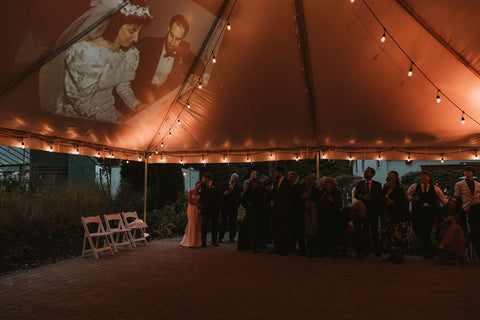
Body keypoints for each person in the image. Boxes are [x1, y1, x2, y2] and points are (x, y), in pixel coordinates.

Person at [55, 0, 152, 122]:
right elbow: (81, 102)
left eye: (139, 32)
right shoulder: (87, 54)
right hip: (81, 116)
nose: (136, 38)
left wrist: (136, 104)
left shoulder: (129, 54)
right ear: (116, 25)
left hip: (109, 111)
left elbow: (122, 85)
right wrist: (114, 119)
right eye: (132, 31)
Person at [132, 14, 202, 104]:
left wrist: (197, 75)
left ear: (183, 39)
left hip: (162, 98)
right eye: (171, 36)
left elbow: (199, 64)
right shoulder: (148, 44)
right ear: (168, 29)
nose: (172, 43)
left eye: (178, 39)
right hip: (140, 94)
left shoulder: (184, 49)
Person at [408, 172, 448, 258]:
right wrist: (412, 198)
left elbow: (443, 199)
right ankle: (428, 248)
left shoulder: (436, 188)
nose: (422, 178)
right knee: (417, 230)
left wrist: (450, 206)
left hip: (430, 213)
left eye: (424, 176)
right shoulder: (414, 186)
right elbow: (408, 196)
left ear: (429, 178)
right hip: (418, 212)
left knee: (428, 230)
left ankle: (427, 250)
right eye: (421, 177)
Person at [354, 167, 383, 256]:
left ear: (372, 174)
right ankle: (365, 249)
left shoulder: (377, 185)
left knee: (374, 230)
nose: (366, 173)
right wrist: (363, 198)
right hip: (363, 210)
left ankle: (376, 250)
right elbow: (356, 195)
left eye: (368, 172)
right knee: (365, 230)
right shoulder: (359, 184)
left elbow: (379, 197)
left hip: (374, 210)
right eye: (365, 172)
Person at [382, 171, 409, 264]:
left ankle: (399, 256)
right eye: (389, 176)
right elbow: (381, 197)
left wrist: (393, 202)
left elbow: (405, 200)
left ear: (396, 178)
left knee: (398, 236)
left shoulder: (401, 187)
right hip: (388, 214)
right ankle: (391, 254)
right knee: (389, 235)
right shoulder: (386, 187)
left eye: (392, 177)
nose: (390, 178)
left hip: (399, 214)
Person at [454, 166, 480, 257]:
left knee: (475, 228)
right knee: (464, 229)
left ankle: (476, 248)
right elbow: (457, 197)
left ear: (472, 173)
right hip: (465, 207)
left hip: (476, 207)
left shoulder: (478, 184)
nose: (467, 173)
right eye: (466, 172)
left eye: (469, 172)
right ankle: (466, 249)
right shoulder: (459, 184)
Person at [238, 177, 266, 252]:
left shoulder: (261, 190)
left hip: (258, 212)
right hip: (251, 212)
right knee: (251, 228)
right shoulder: (249, 191)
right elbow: (243, 200)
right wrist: (248, 207)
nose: (254, 184)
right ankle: (252, 245)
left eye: (255, 183)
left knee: (257, 229)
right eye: (253, 183)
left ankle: (258, 245)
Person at [437, 197, 467, 265]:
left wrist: (454, 221)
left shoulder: (460, 212)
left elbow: (463, 225)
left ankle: (443, 244)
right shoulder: (443, 211)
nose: (451, 203)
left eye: (454, 202)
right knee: (457, 230)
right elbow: (439, 225)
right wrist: (445, 222)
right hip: (444, 229)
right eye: (450, 200)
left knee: (456, 228)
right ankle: (458, 258)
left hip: (456, 232)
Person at [270, 167, 293, 255]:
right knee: (276, 229)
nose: (275, 174)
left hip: (282, 210)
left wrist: (285, 208)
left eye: (276, 172)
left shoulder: (287, 183)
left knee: (283, 230)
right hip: (276, 210)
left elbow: (289, 196)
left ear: (280, 173)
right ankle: (277, 247)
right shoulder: (275, 183)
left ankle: (284, 248)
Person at [317, 177, 342, 257]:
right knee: (323, 233)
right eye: (325, 182)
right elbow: (318, 203)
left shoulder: (336, 193)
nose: (326, 183)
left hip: (333, 216)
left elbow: (339, 205)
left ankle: (333, 251)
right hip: (322, 215)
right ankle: (323, 250)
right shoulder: (321, 192)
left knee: (332, 234)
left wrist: (332, 201)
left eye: (328, 182)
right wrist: (322, 198)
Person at [298, 173, 320, 257]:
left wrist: (312, 202)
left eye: (312, 179)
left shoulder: (316, 190)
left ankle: (311, 250)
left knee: (311, 233)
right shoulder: (300, 188)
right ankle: (302, 249)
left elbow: (318, 200)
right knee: (301, 232)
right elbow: (295, 199)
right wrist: (302, 197)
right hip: (301, 212)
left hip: (311, 214)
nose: (310, 181)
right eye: (309, 179)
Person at [199, 172, 223, 247]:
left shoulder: (216, 186)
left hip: (214, 210)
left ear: (207, 178)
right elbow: (202, 197)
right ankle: (203, 242)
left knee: (214, 226)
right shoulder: (203, 187)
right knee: (204, 226)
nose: (202, 179)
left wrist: (218, 208)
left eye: (203, 178)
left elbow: (220, 197)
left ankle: (214, 241)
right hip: (205, 210)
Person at [219, 173, 242, 243]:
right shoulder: (224, 185)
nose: (233, 180)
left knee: (233, 223)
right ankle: (220, 237)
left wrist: (236, 204)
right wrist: (223, 194)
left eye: (235, 179)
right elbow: (220, 194)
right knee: (223, 222)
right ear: (231, 177)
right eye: (233, 178)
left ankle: (231, 238)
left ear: (237, 180)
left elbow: (239, 197)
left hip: (233, 207)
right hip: (225, 206)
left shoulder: (238, 187)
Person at [180, 181, 202, 248]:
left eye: (200, 185)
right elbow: (190, 200)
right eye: (198, 184)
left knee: (196, 223)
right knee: (192, 222)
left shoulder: (200, 193)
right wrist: (197, 204)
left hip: (197, 209)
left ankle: (196, 241)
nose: (199, 186)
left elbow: (201, 202)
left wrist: (199, 208)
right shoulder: (191, 192)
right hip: (191, 208)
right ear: (196, 184)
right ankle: (190, 242)